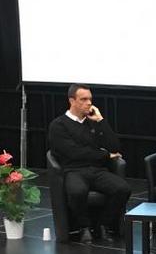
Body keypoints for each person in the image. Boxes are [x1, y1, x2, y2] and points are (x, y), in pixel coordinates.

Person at [48, 84, 132, 243]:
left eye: (90, 99)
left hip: (97, 170)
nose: (89, 103)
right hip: (74, 170)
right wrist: (105, 155)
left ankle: (102, 224)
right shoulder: (58, 125)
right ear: (72, 101)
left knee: (123, 189)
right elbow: (74, 153)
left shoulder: (93, 122)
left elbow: (115, 146)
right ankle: (83, 227)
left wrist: (101, 121)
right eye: (84, 99)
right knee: (77, 191)